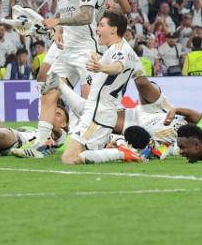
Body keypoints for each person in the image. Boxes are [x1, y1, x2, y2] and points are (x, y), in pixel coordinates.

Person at [30, 0, 96, 151]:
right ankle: (40, 144)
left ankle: (87, 141)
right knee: (49, 91)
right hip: (66, 49)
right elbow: (63, 13)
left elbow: (86, 15)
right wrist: (59, 31)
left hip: (87, 50)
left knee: (87, 99)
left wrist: (58, 23)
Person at [60, 12, 143, 165]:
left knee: (69, 159)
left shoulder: (119, 50)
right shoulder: (123, 50)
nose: (98, 28)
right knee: (84, 155)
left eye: (102, 25)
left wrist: (102, 67)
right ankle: (118, 151)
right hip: (102, 112)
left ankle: (121, 153)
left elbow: (117, 67)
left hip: (97, 115)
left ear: (113, 29)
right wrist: (98, 60)